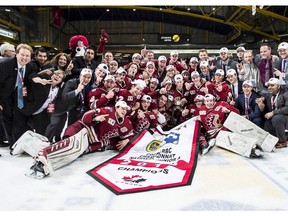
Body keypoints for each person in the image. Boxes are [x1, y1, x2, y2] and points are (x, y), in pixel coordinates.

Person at [27, 100, 134, 178]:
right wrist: (95, 118)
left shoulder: (127, 124)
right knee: (69, 146)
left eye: (126, 109)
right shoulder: (106, 111)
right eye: (122, 108)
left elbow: (130, 136)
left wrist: (127, 140)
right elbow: (85, 116)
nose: (124, 110)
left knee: (71, 154)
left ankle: (42, 159)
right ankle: (41, 160)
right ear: (117, 107)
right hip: (81, 131)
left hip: (89, 143)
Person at [12, 69, 66, 143]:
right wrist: (41, 80)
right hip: (27, 108)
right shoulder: (44, 78)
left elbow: (53, 103)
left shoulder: (58, 90)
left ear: (61, 81)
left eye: (59, 77)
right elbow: (31, 76)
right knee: (20, 128)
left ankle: (38, 145)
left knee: (42, 131)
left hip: (41, 112)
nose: (57, 77)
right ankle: (16, 145)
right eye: (56, 74)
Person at [0, 43, 34, 147]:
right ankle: (13, 145)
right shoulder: (5, 64)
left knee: (16, 120)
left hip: (17, 96)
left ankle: (16, 143)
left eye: (27, 56)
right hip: (3, 96)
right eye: (22, 55)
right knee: (7, 120)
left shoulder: (30, 66)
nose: (24, 58)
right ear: (16, 54)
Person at [256, 78, 288, 148]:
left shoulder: (286, 94)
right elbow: (266, 112)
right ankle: (283, 136)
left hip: (284, 117)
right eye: (269, 86)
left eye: (272, 85)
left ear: (278, 86)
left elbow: (287, 108)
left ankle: (283, 141)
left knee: (277, 118)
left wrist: (273, 113)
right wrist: (262, 107)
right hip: (274, 118)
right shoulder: (268, 96)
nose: (270, 87)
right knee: (267, 129)